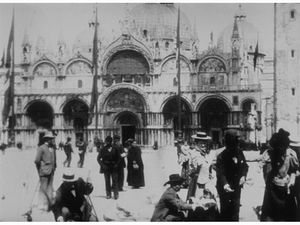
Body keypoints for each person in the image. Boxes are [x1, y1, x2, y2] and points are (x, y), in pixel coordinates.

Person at [261, 129, 299, 221]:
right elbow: (265, 167)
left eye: (282, 148)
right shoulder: (271, 153)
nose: (280, 150)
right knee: (270, 216)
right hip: (272, 190)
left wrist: (292, 180)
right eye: (278, 148)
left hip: (286, 190)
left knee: (287, 216)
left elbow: (294, 170)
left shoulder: (291, 155)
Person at [216, 129, 249, 221]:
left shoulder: (239, 152)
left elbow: (245, 166)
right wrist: (225, 184)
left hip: (236, 187)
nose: (236, 145)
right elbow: (220, 172)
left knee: (235, 210)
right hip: (225, 188)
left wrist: (243, 176)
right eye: (233, 143)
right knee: (226, 211)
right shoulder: (222, 155)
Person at [186, 132, 219, 221]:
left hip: (207, 183)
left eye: (205, 143)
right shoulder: (193, 154)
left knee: (209, 205)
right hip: (198, 184)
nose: (204, 145)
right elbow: (197, 167)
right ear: (196, 143)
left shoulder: (205, 154)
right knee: (199, 206)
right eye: (201, 143)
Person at [34, 131, 57, 211]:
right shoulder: (41, 148)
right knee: (43, 188)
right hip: (44, 171)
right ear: (47, 139)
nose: (53, 140)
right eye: (51, 139)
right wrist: (40, 169)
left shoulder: (53, 148)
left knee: (50, 187)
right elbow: (37, 160)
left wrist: (54, 167)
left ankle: (48, 203)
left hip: (51, 171)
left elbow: (54, 159)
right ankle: (41, 204)